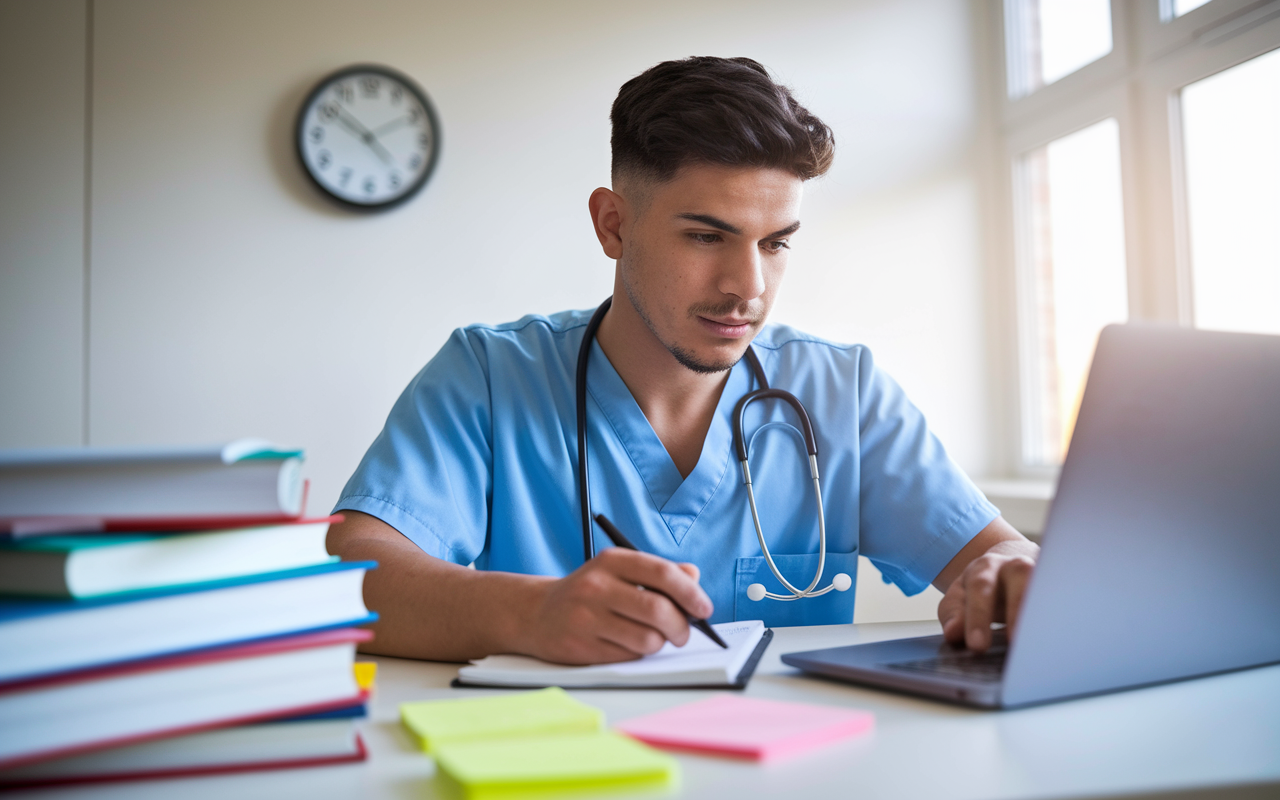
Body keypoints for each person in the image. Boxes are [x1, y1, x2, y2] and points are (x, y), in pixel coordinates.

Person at [328, 56, 1039, 665]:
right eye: (707, 237)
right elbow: (350, 574)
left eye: (776, 242)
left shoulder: (842, 392)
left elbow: (993, 555)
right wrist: (529, 613)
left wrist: (1010, 573)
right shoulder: (486, 376)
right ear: (613, 224)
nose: (748, 288)